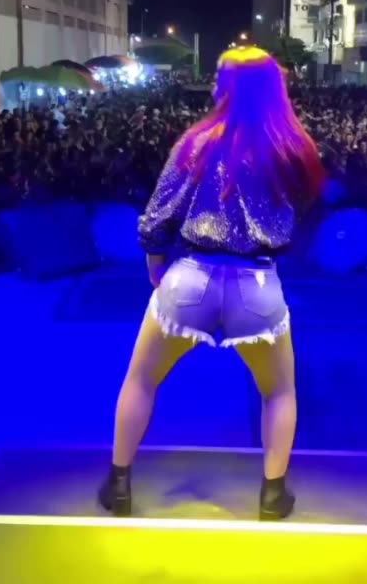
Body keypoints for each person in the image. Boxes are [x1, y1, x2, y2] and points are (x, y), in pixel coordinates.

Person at [98, 45, 324, 519]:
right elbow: (305, 214)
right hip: (258, 283)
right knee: (279, 392)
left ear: (222, 86)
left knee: (141, 379)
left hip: (190, 277)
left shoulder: (196, 142)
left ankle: (118, 485)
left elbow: (158, 214)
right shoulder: (292, 147)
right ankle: (273, 496)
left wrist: (155, 264)